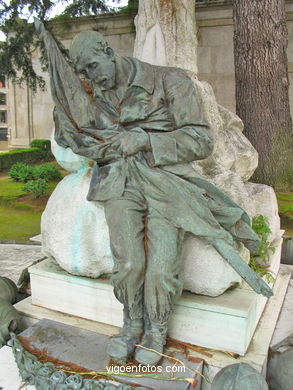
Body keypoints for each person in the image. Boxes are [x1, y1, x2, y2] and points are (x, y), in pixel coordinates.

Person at [34, 22, 273, 366]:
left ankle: (156, 330)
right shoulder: (90, 94)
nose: (91, 78)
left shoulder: (168, 79)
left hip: (165, 182)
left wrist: (145, 140)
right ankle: (131, 325)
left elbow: (201, 140)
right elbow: (77, 136)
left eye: (93, 67)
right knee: (128, 263)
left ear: (107, 51)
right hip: (119, 182)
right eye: (83, 72)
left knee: (161, 268)